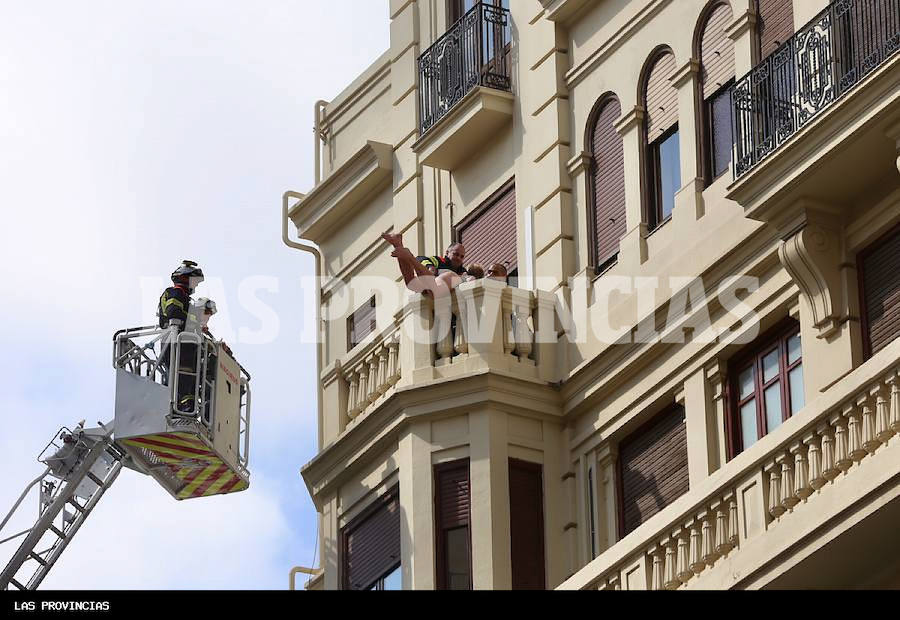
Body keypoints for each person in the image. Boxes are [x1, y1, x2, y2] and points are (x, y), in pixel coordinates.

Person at [158, 260, 205, 414]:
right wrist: (194, 320)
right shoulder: (175, 293)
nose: (195, 286)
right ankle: (181, 406)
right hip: (175, 343)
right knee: (182, 377)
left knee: (188, 376)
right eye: (195, 282)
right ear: (185, 278)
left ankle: (186, 407)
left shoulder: (184, 297)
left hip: (185, 344)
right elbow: (174, 313)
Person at [382, 232, 467, 298]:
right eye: (456, 254)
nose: (458, 258)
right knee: (415, 283)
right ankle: (405, 253)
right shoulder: (440, 261)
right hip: (433, 287)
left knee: (411, 283)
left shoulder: (463, 271)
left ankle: (398, 245)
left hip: (433, 289)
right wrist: (429, 266)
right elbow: (422, 259)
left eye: (462, 256)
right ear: (447, 253)